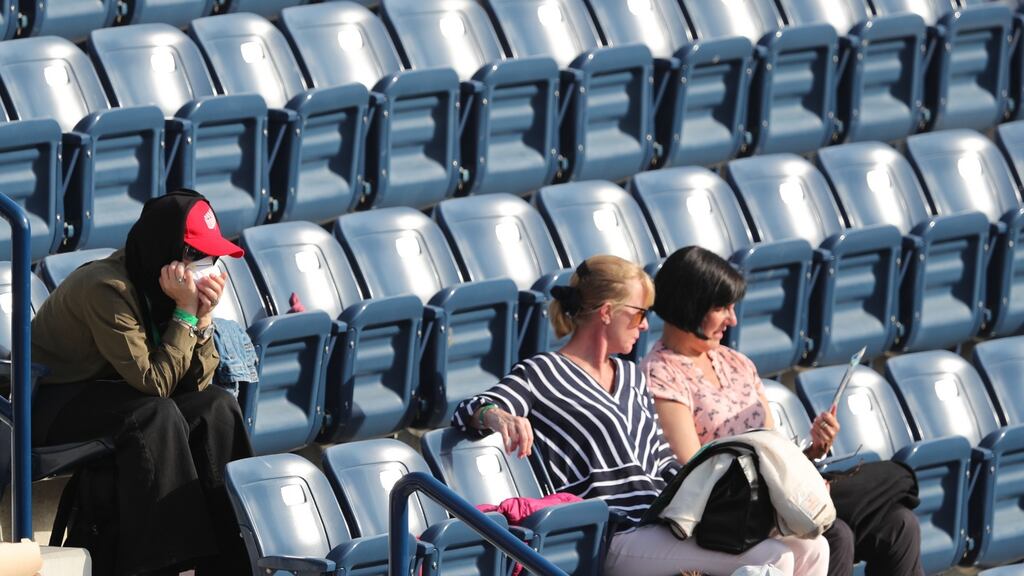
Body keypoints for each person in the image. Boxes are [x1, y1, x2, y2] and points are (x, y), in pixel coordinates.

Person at [452, 255, 828, 576]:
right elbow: (472, 407)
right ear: (606, 313)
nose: (646, 325)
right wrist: (497, 417)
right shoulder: (543, 372)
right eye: (638, 315)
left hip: (665, 520)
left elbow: (661, 458)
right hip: (612, 534)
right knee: (771, 558)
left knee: (815, 549)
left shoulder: (631, 375)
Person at [642, 246, 924, 576]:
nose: (732, 319)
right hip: (734, 509)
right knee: (848, 525)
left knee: (899, 524)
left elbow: (774, 450)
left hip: (778, 492)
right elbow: (694, 471)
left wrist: (813, 451)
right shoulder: (660, 375)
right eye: (721, 308)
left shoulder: (736, 363)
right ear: (690, 305)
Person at [31, 190, 253, 576]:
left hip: (120, 392)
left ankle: (240, 548)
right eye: (197, 257)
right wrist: (185, 314)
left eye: (212, 258)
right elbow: (156, 383)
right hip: (53, 402)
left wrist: (201, 320)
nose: (208, 267)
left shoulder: (167, 288)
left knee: (217, 406)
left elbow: (197, 385)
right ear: (166, 251)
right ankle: (169, 566)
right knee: (156, 414)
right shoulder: (106, 288)